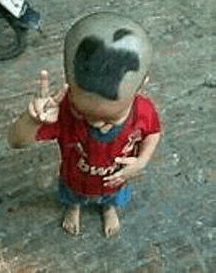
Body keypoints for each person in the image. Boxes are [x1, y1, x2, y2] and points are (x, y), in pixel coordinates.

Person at [8, 12, 162, 238]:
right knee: (71, 196)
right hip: (74, 180)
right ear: (68, 81)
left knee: (112, 199)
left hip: (117, 182)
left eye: (111, 117)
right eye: (84, 113)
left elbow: (153, 134)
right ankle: (74, 207)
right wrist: (32, 121)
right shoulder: (61, 111)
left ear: (140, 87)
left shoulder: (144, 110)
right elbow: (15, 141)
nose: (97, 123)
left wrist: (142, 161)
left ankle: (108, 208)